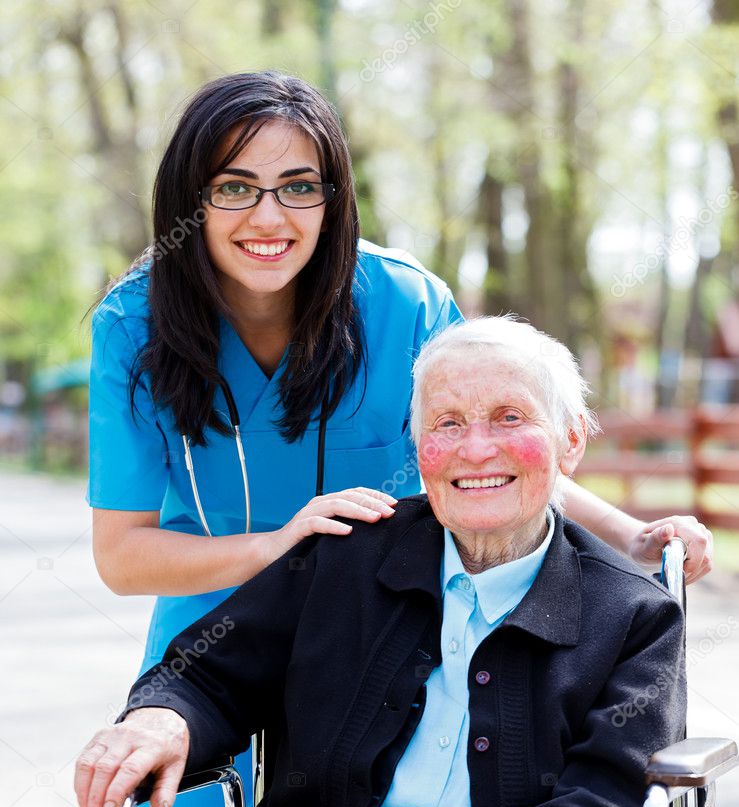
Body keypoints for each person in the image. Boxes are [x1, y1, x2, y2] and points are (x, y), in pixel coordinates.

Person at [76, 317, 709, 807]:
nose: (476, 448)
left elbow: (607, 805)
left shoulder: (631, 613)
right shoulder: (347, 556)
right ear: (419, 447)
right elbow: (211, 670)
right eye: (447, 421)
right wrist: (163, 715)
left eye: (509, 417)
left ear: (570, 439)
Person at [88, 70, 712, 685]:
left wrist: (632, 539)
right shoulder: (131, 325)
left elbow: (487, 457)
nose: (269, 218)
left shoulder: (406, 303)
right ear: (188, 201)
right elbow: (121, 556)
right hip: (209, 660)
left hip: (387, 649)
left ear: (333, 203)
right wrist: (278, 547)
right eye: (234, 188)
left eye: (299, 187)